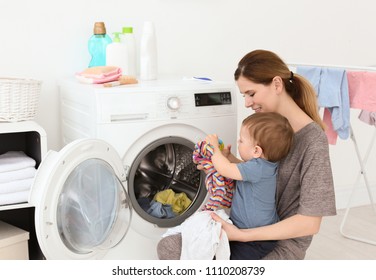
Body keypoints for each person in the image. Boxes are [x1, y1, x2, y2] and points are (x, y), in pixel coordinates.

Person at [157, 49, 337, 260]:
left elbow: (310, 222)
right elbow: (263, 174)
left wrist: (241, 236)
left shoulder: (312, 140)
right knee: (169, 247)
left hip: (277, 244)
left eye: (251, 94)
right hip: (243, 227)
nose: (247, 103)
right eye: (244, 96)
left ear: (277, 85)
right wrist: (224, 163)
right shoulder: (267, 127)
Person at [205, 112, 294, 259]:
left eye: (241, 140)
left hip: (256, 239)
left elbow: (226, 169)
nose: (238, 142)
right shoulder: (263, 166)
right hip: (251, 231)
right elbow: (242, 169)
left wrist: (214, 149)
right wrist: (229, 157)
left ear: (256, 151)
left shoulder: (257, 169)